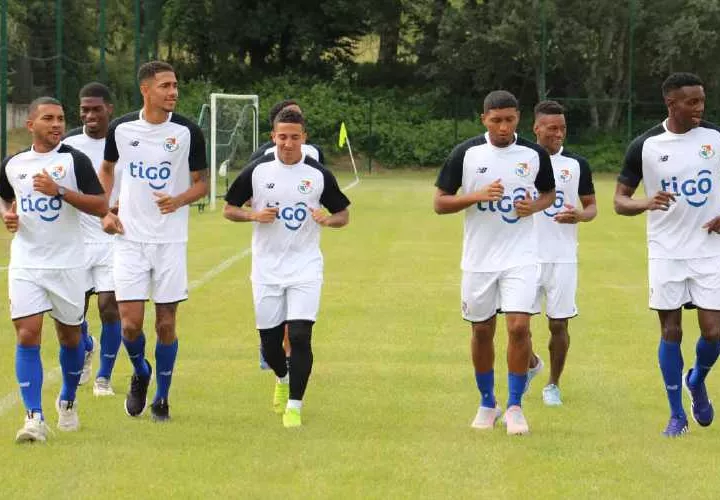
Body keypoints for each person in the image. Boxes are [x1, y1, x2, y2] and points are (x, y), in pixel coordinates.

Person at [434, 90, 555, 435]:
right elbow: (440, 203)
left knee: (519, 327)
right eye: (496, 120)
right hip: (479, 259)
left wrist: (535, 206)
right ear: (483, 119)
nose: (503, 127)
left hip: (521, 256)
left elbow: (547, 193)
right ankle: (488, 402)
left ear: (519, 118)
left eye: (510, 119)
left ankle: (515, 406)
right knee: (482, 330)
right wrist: (477, 195)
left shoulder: (533, 154)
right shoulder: (467, 153)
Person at [224, 108, 350, 428]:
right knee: (269, 344)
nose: (288, 143)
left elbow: (343, 215)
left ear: (304, 138)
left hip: (305, 266)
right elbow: (229, 209)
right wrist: (254, 215)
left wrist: (328, 219)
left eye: (295, 137)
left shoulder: (318, 174)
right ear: (273, 137)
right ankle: (281, 378)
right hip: (266, 268)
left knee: (299, 335)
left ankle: (295, 405)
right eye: (283, 137)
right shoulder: (257, 172)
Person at [99, 60, 208, 421]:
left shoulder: (189, 131)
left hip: (170, 241)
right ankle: (141, 372)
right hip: (129, 239)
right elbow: (107, 170)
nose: (173, 92)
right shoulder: (121, 129)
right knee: (129, 323)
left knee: (165, 323)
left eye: (175, 85)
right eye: (165, 86)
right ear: (146, 89)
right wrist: (106, 211)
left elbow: (202, 183)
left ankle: (162, 397)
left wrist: (179, 200)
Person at [614, 72, 720, 437]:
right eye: (691, 102)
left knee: (714, 331)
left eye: (701, 101)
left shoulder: (715, 139)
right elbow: (619, 200)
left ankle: (697, 379)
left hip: (709, 250)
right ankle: (676, 415)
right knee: (670, 330)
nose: (699, 108)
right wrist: (645, 202)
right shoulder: (646, 146)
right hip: (666, 252)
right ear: (671, 104)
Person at [0, 97, 108, 442]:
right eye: (48, 118)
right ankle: (34, 417)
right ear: (31, 125)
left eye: (61, 118)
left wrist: (59, 190)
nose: (57, 124)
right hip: (27, 262)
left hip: (68, 264)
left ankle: (69, 399)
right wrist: (7, 215)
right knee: (28, 333)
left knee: (70, 338)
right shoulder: (14, 164)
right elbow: (4, 197)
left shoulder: (74, 160)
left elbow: (101, 204)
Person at [527, 100, 597, 406]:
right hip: (524, 256)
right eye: (552, 128)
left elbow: (592, 207)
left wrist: (580, 215)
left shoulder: (577, 164)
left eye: (563, 128)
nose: (559, 133)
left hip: (563, 256)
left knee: (559, 324)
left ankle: (552, 385)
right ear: (536, 128)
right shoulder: (522, 160)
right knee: (517, 324)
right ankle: (530, 365)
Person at [63, 82, 123, 396]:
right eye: (84, 109)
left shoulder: (124, 143)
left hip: (113, 238)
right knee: (73, 312)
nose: (89, 115)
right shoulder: (69, 145)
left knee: (109, 306)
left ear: (109, 109)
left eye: (96, 109)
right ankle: (87, 345)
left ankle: (104, 377)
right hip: (76, 239)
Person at [248, 99, 325, 164]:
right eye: (290, 114)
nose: (296, 118)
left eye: (299, 115)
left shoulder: (315, 151)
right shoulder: (261, 155)